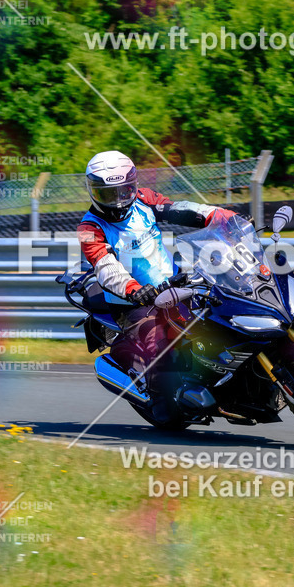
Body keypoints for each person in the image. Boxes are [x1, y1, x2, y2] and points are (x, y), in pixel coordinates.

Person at [76, 150, 239, 413]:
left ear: (134, 185)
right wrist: (134, 290)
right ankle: (163, 400)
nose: (117, 201)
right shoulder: (89, 228)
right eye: (109, 194)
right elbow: (106, 268)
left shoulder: (144, 199)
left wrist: (222, 217)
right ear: (93, 191)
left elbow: (182, 210)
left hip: (175, 284)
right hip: (132, 302)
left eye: (123, 191)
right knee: (160, 352)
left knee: (221, 318)